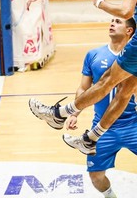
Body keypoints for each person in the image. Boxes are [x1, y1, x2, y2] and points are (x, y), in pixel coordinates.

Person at [27, 0, 137, 155]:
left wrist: (101, 4)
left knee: (108, 80)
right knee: (126, 90)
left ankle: (58, 115)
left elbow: (127, 11)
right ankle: (90, 139)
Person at [64, 17, 137, 198]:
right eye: (111, 21)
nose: (112, 24)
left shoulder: (134, 58)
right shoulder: (93, 55)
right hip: (102, 128)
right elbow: (84, 87)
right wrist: (75, 113)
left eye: (118, 22)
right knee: (96, 176)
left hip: (132, 124)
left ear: (129, 31)